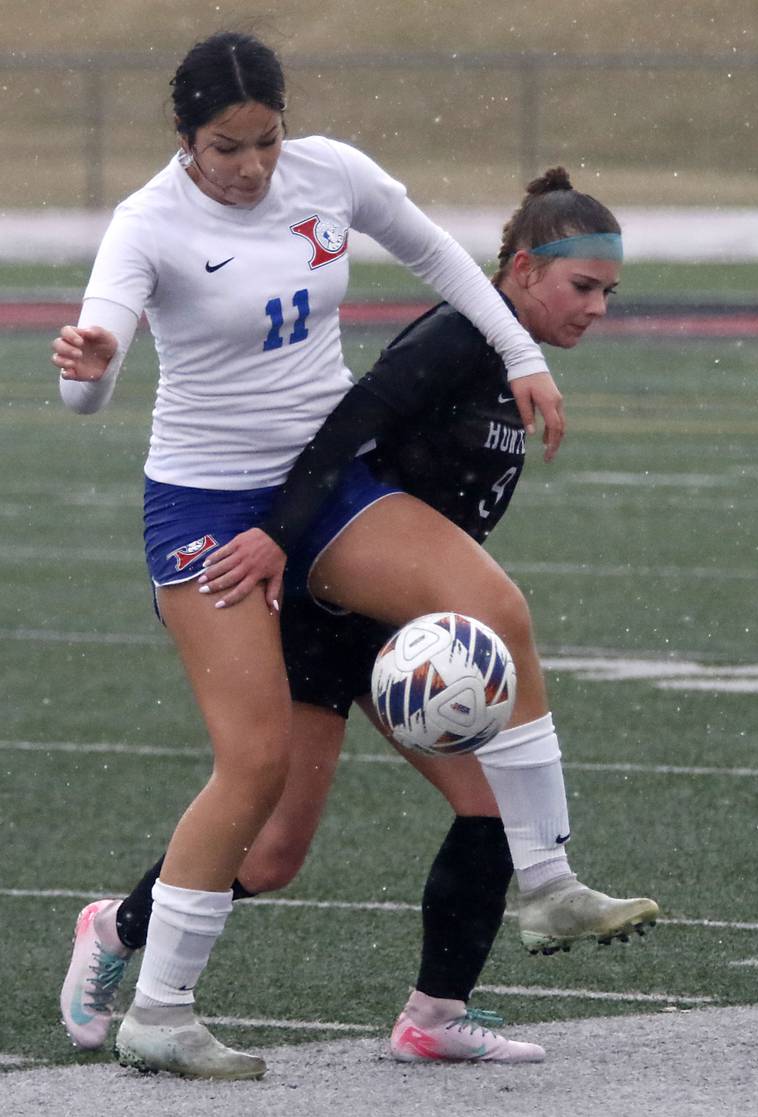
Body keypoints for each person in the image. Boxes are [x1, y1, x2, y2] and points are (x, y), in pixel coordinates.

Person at [58, 159, 658, 1068]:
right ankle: (113, 928)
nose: (596, 309)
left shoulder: (507, 358)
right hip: (316, 606)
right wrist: (276, 533)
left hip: (386, 624)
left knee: (494, 803)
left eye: (609, 292)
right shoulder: (456, 342)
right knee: (266, 856)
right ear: (525, 267)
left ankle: (435, 1013)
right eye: (584, 286)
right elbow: (342, 437)